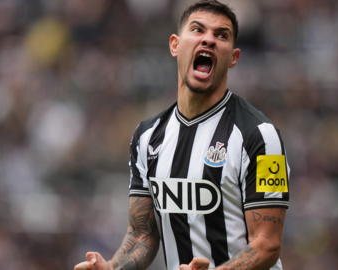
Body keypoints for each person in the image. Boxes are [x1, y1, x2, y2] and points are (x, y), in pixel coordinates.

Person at [74, 1, 290, 269]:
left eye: (221, 35)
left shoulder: (261, 136)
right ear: (175, 45)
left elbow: (267, 243)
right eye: (198, 30)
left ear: (233, 57)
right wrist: (113, 268)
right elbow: (143, 233)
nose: (209, 40)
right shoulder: (147, 137)